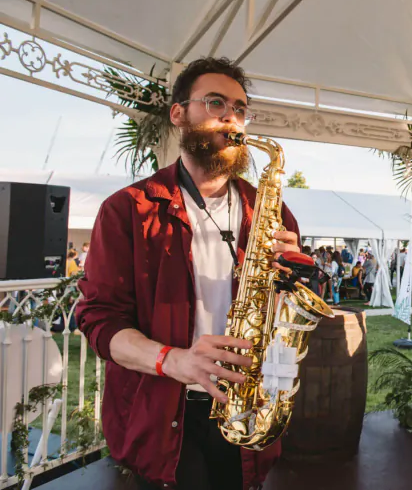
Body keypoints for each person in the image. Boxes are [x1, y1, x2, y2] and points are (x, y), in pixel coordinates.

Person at [76, 57, 302, 490]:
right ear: (178, 113)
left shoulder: (271, 211)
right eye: (215, 102)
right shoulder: (127, 209)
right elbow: (98, 321)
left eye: (239, 108)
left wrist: (289, 277)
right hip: (166, 415)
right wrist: (175, 360)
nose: (230, 117)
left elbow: (288, 311)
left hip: (247, 405)